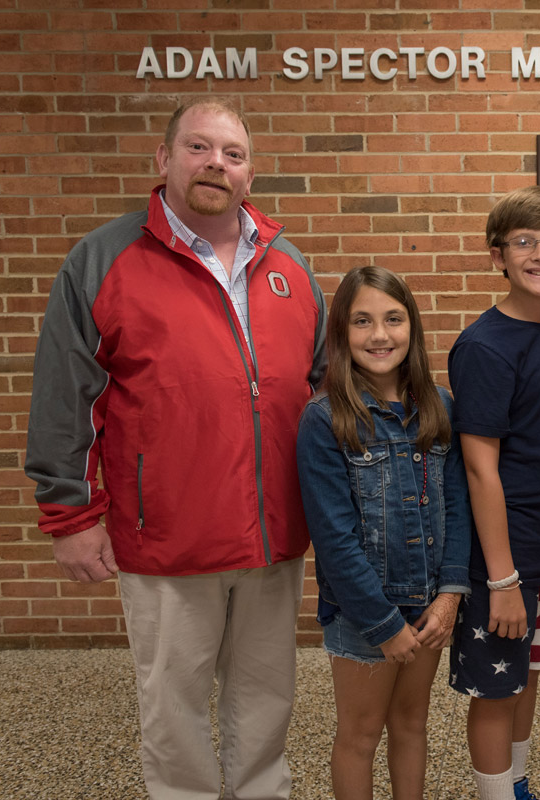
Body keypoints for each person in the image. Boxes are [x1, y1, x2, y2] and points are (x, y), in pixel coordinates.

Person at [24, 98, 327, 799]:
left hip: (272, 535)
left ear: (251, 173)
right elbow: (64, 397)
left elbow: (320, 387)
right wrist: (69, 515)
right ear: (164, 160)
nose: (216, 163)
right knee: (175, 707)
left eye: (233, 153)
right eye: (198, 147)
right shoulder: (103, 260)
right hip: (165, 535)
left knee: (267, 699)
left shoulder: (288, 264)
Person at [296, 266, 471, 800]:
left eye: (393, 319)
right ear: (342, 334)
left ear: (412, 328)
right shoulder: (325, 420)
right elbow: (334, 539)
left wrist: (449, 597)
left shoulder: (440, 407)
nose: (379, 335)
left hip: (428, 607)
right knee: (361, 733)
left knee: (412, 724)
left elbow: (458, 509)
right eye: (363, 321)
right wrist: (382, 624)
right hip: (363, 613)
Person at [447, 185, 540, 800]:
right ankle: (494, 794)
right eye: (524, 242)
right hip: (506, 560)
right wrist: (501, 580)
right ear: (497, 256)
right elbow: (480, 470)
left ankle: (516, 782)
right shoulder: (483, 347)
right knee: (497, 689)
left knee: (526, 679)